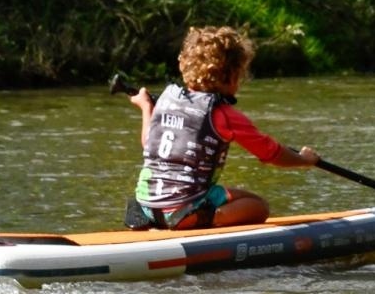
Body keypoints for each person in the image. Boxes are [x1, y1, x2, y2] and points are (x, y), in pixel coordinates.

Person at [126, 26, 317, 231]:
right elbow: (271, 153)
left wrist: (146, 107)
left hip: (146, 204)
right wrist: (304, 160)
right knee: (258, 206)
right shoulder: (223, 114)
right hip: (184, 205)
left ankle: (157, 216)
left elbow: (149, 143)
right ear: (231, 75)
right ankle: (200, 217)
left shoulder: (166, 99)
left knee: (228, 195)